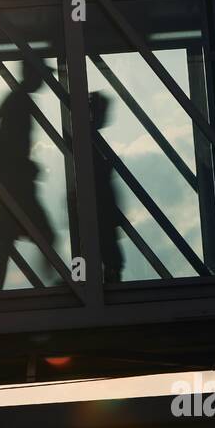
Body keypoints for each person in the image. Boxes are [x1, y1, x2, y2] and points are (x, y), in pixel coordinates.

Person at [0, 59, 56, 286]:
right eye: (42, 76)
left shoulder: (15, 100)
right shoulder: (20, 102)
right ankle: (59, 285)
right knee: (44, 234)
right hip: (17, 183)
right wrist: (26, 166)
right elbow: (13, 144)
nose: (44, 81)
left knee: (6, 239)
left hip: (12, 181)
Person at [88, 91, 124, 284]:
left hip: (101, 211)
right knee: (112, 260)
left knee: (110, 259)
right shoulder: (90, 141)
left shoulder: (89, 139)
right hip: (101, 211)